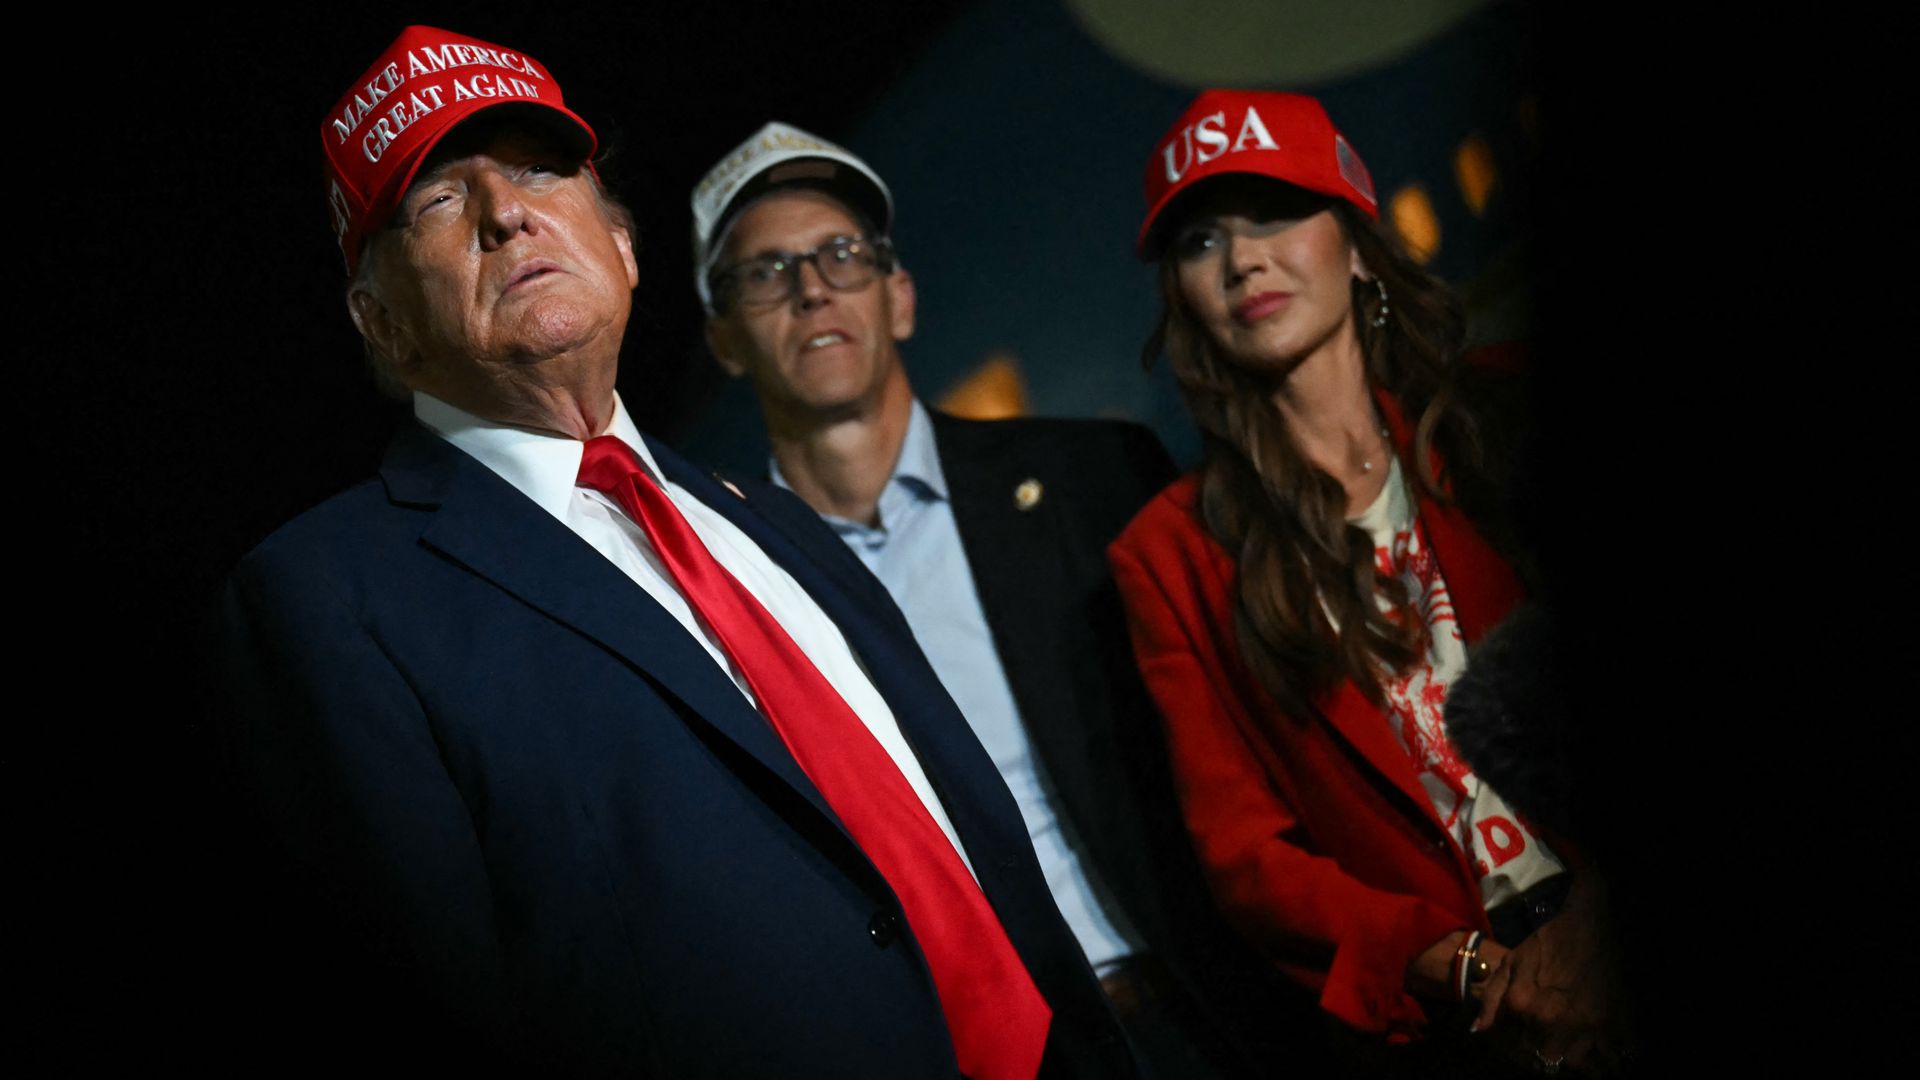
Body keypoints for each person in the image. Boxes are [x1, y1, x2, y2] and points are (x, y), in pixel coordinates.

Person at [215, 26, 1141, 1079]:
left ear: (624, 247)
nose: (505, 211)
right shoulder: (328, 602)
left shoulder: (764, 522)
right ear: (382, 323)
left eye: (538, 167)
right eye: (434, 199)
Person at [691, 123, 1319, 1078]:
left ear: (900, 299)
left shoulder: (1094, 478)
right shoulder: (729, 599)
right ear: (723, 339)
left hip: (1221, 1016)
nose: (813, 287)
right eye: (766, 273)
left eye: (842, 256)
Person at [1106, 91, 1625, 1076]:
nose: (1243, 258)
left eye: (1275, 212)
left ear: (1352, 241)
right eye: (1201, 239)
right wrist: (1478, 972)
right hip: (1466, 1016)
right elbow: (1246, 857)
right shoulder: (1167, 555)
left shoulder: (1501, 413)